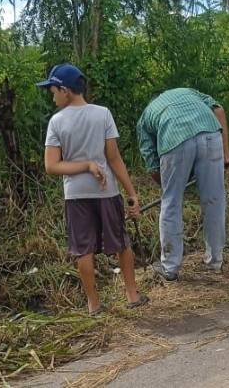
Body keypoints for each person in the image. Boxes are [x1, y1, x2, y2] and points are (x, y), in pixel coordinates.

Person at [38, 63, 149, 315]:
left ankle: (94, 304)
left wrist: (84, 166)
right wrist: (131, 193)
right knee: (121, 242)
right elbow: (114, 158)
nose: (52, 95)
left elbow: (51, 166)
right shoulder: (103, 114)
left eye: (53, 90)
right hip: (106, 191)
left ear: (65, 90)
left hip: (76, 195)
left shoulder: (56, 122)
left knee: (83, 248)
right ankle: (132, 296)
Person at [137, 88, 229, 281]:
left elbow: (152, 164)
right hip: (211, 133)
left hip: (175, 138)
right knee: (215, 198)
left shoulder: (146, 116)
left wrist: (170, 187)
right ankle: (215, 261)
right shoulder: (188, 92)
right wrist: (226, 153)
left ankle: (169, 268)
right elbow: (219, 109)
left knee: (171, 202)